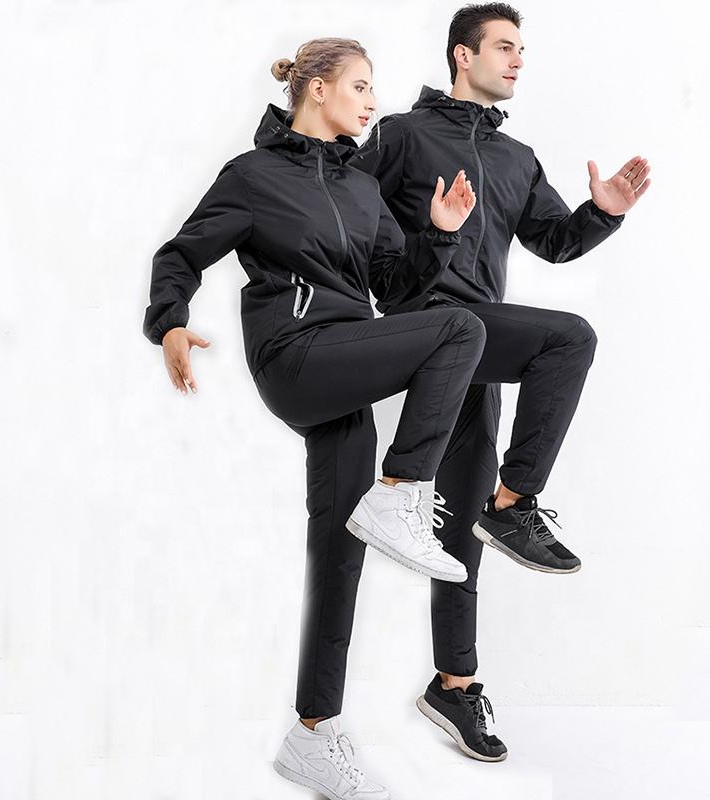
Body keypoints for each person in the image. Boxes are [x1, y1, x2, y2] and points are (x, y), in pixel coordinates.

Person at [142, 37, 485, 800]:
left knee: (339, 550)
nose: (372, 102)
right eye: (360, 86)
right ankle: (403, 490)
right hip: (295, 355)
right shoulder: (253, 176)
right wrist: (170, 322)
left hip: (346, 365)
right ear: (319, 89)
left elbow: (395, 290)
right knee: (462, 329)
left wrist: (438, 233)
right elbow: (182, 254)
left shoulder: (361, 188)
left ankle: (313, 733)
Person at [351, 3, 651, 762]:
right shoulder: (401, 134)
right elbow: (343, 210)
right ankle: (514, 504)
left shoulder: (517, 158)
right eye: (505, 47)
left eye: (523, 49)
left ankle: (454, 685)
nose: (519, 60)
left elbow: (554, 241)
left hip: (477, 345)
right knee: (569, 338)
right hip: (425, 323)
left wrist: (600, 214)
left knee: (458, 529)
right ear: (463, 54)